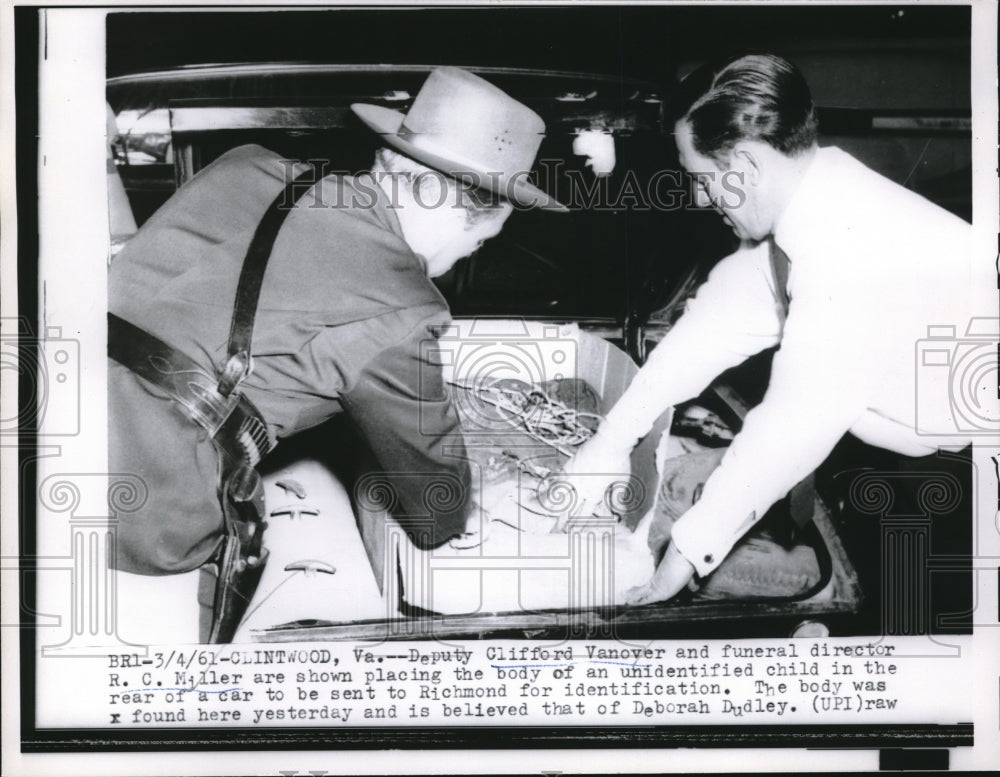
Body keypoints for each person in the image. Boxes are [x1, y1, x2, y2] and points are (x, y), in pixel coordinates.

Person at [108, 67, 566, 642]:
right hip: (140, 515)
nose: (461, 261)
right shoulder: (402, 307)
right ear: (457, 211)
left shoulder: (244, 163)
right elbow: (436, 514)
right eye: (480, 242)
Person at [561, 53, 991, 605]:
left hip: (964, 479)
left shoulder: (852, 252)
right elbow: (704, 336)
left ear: (746, 163)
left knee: (910, 616)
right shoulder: (814, 206)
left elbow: (789, 427)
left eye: (702, 178)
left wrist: (681, 560)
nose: (699, 198)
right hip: (898, 448)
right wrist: (607, 446)